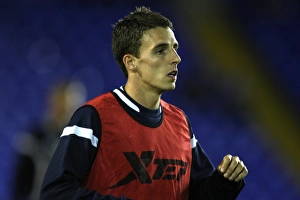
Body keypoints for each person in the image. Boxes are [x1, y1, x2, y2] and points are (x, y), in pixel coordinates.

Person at [40, 6, 248, 200]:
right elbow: (55, 193)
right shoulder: (94, 117)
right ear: (131, 62)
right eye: (160, 50)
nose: (176, 58)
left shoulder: (181, 123)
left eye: (174, 48)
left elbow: (198, 195)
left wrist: (225, 181)